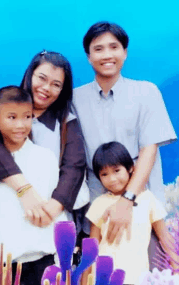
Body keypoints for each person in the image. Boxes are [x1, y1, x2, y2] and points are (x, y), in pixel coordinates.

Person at [73, 21, 177, 268]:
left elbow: (149, 150)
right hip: (97, 214)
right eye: (98, 49)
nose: (107, 55)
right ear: (88, 57)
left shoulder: (146, 92)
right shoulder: (75, 98)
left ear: (125, 52)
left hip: (143, 208)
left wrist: (127, 200)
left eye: (114, 47)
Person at [0, 86, 68, 285]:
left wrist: (61, 264)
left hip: (41, 265)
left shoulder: (45, 159)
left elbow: (57, 214)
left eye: (27, 117)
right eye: (11, 117)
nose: (20, 125)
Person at [0, 51, 89, 243]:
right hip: (6, 225)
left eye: (56, 85)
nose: (46, 88)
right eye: (42, 78)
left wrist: (52, 208)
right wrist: (24, 190)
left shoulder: (66, 122)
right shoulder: (0, 107)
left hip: (50, 225)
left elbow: (74, 167)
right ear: (30, 74)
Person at [82, 142, 178, 285]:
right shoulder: (99, 204)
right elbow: (91, 249)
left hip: (138, 282)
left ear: (131, 169)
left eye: (116, 170)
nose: (111, 179)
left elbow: (165, 238)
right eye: (104, 174)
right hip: (103, 283)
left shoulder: (148, 199)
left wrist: (176, 267)